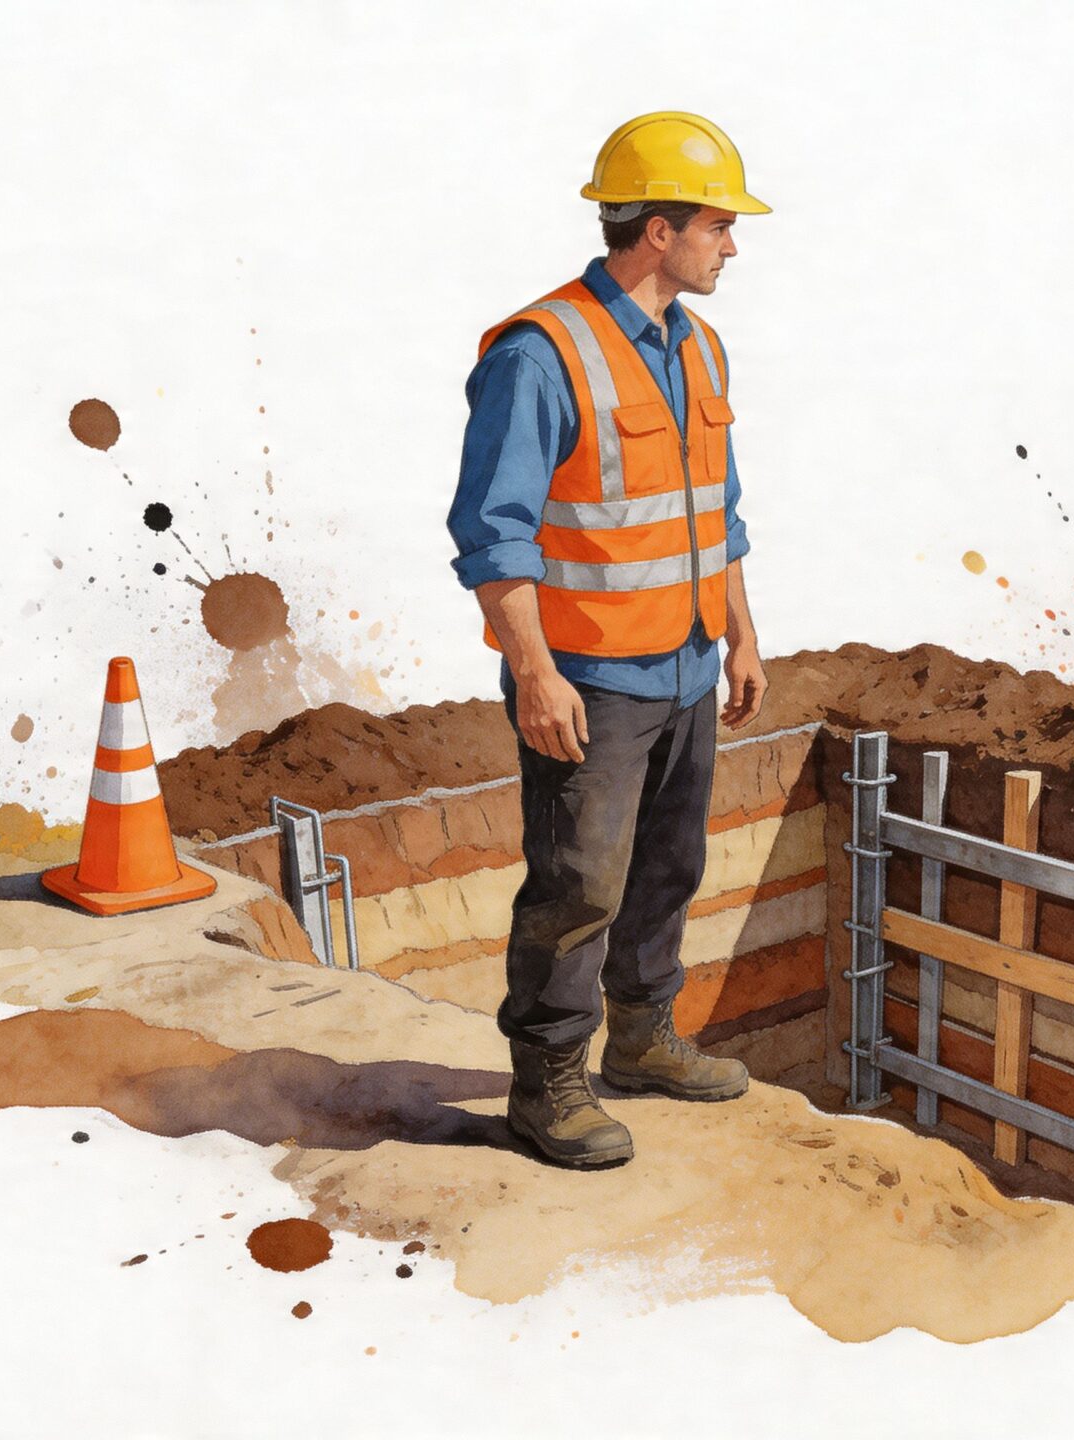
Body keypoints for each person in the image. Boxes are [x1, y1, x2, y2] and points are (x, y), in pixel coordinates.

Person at [446, 112, 771, 1168]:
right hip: (590, 682)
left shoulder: (699, 345)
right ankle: (546, 1087)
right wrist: (534, 673)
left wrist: (742, 638)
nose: (731, 244)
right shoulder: (539, 355)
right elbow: (491, 536)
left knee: (667, 866)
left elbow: (714, 512)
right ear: (658, 228)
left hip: (682, 667)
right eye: (718, 224)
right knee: (578, 885)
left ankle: (642, 1042)